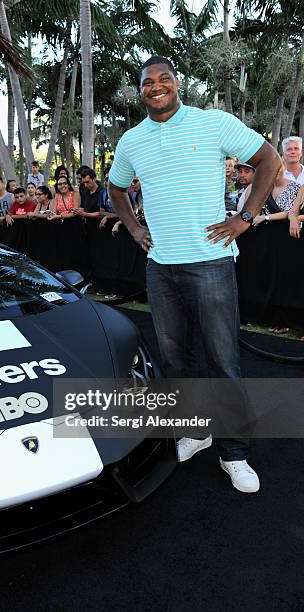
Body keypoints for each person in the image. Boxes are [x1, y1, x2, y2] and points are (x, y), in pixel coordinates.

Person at [108, 55, 280, 493]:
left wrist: (246, 216)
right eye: (148, 81)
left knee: (224, 361)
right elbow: (115, 186)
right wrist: (132, 227)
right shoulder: (131, 141)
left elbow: (269, 159)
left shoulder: (213, 123)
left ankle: (234, 453)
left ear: (177, 84)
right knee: (176, 361)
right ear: (141, 89)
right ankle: (196, 431)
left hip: (212, 264)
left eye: (165, 78)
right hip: (160, 269)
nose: (156, 86)